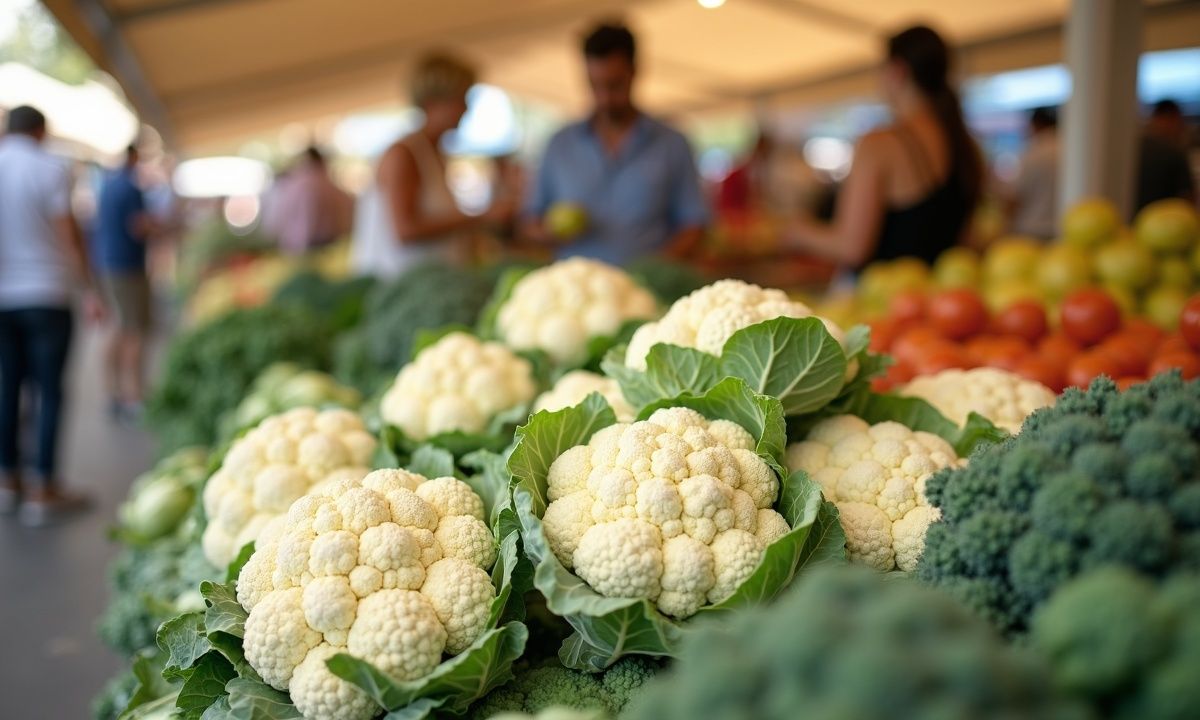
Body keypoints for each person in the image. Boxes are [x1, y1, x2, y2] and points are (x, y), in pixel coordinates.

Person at [785, 25, 983, 268]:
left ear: (897, 71)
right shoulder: (963, 143)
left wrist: (797, 232)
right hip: (943, 299)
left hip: (888, 301)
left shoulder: (880, 144)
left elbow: (852, 248)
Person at [523, 22, 710, 265]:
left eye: (615, 85)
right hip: (576, 291)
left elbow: (694, 223)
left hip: (648, 292)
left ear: (635, 72)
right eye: (595, 85)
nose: (605, 98)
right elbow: (529, 221)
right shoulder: (559, 145)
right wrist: (548, 233)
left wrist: (655, 269)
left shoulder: (672, 144)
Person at [0, 105, 102, 523]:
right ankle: (43, 486)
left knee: (8, 387)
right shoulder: (51, 168)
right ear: (40, 132)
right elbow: (68, 234)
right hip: (48, 292)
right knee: (49, 391)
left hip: (3, 297)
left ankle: (7, 480)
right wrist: (90, 289)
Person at [352, 52, 513, 278]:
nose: (466, 109)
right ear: (432, 102)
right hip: (400, 290)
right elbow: (406, 230)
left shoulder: (436, 154)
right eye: (461, 99)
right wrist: (480, 217)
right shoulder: (403, 155)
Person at [94, 144, 153, 420]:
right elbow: (139, 226)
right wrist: (165, 227)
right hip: (128, 266)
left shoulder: (107, 184)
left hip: (109, 264)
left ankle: (112, 391)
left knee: (118, 327)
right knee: (134, 330)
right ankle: (133, 396)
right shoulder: (130, 187)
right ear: (135, 156)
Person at [261, 146, 353, 255]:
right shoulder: (331, 183)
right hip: (330, 244)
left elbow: (280, 214)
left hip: (300, 246)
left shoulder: (295, 184)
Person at [1007, 107, 1059, 240]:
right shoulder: (1068, 147)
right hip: (1061, 228)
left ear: (1035, 124)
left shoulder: (1033, 152)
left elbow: (1016, 196)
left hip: (1030, 232)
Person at [1135, 99, 1195, 212]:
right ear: (1171, 119)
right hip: (1166, 221)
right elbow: (1188, 202)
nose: (1181, 127)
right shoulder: (1175, 153)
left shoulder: (1134, 148)